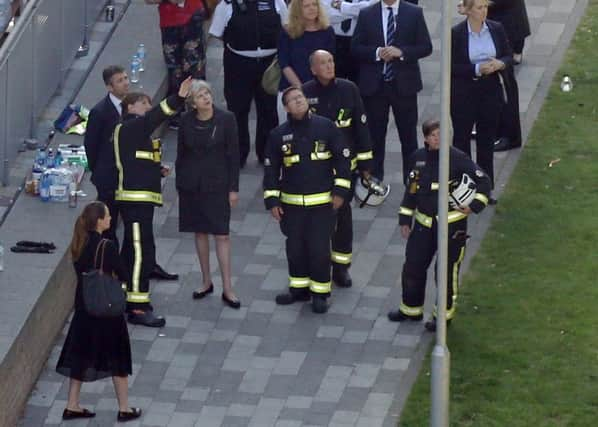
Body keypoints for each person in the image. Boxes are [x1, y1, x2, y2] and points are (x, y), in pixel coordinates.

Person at [388, 119, 491, 332]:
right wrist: (405, 220)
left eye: (442, 134)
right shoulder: (417, 159)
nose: (438, 138)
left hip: (452, 227)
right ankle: (410, 309)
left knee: (445, 271)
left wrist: (474, 206)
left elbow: (484, 182)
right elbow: (412, 191)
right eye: (434, 135)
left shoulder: (459, 159)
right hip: (423, 225)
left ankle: (443, 316)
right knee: (413, 266)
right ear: (426, 138)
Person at [263, 86, 351, 313]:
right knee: (295, 248)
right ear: (286, 108)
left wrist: (340, 193)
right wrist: (273, 201)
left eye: (300, 97)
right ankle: (299, 288)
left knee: (319, 249)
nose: (298, 101)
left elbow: (343, 161)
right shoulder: (278, 135)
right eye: (292, 99)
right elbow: (271, 171)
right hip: (292, 206)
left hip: (322, 204)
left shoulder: (326, 127)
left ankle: (320, 293)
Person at [113, 77, 193, 327]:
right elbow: (156, 117)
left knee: (132, 247)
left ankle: (127, 291)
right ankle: (137, 306)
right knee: (139, 249)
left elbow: (137, 160)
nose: (148, 107)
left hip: (141, 199)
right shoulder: (131, 126)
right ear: (130, 108)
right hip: (135, 200)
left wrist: (156, 170)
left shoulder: (134, 132)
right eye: (144, 103)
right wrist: (178, 98)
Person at [56, 202, 141, 423]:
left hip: (84, 308)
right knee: (118, 358)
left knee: (80, 356)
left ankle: (72, 404)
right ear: (100, 221)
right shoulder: (107, 246)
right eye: (108, 216)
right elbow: (122, 273)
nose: (111, 219)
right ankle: (124, 407)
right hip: (107, 310)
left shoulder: (79, 243)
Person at [302, 50, 372, 288]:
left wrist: (365, 165)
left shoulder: (348, 89)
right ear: (313, 69)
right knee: (318, 222)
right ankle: (317, 266)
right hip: (316, 172)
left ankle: (341, 268)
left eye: (331, 61)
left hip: (344, 169)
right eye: (323, 63)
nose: (329, 66)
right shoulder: (305, 93)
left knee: (343, 220)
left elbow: (361, 126)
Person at [176, 80, 241, 309]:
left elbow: (234, 155)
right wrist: (180, 183)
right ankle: (206, 281)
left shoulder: (226, 119)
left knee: (222, 235)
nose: (206, 97)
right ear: (192, 103)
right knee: (200, 232)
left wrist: (233, 188)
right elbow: (181, 153)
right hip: (192, 186)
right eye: (200, 95)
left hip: (218, 184)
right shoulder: (186, 121)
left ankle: (228, 287)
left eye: (207, 93)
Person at [351, 0, 432, 182]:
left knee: (408, 136)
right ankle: (375, 178)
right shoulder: (366, 14)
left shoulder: (414, 13)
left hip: (404, 85)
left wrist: (401, 52)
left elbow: (426, 47)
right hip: (375, 86)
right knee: (375, 135)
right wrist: (378, 52)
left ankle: (411, 179)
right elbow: (355, 48)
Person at [209, 0, 288, 168]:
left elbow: (287, 27)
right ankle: (238, 155)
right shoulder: (227, 5)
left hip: (269, 65)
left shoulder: (277, 3)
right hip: (238, 64)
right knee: (237, 110)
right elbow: (217, 31)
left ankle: (266, 153)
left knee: (269, 110)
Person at [451, 0, 513, 195]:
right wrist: (477, 69)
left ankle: (485, 189)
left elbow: (508, 55)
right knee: (462, 142)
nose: (484, 11)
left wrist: (500, 64)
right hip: (464, 94)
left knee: (486, 142)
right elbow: (451, 67)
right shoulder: (457, 33)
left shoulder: (496, 28)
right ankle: (463, 189)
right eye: (479, 8)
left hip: (490, 91)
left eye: (485, 7)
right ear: (468, 11)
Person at [84, 66, 129, 248]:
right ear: (109, 87)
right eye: (120, 81)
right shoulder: (100, 112)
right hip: (108, 178)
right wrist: (100, 170)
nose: (126, 83)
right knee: (108, 226)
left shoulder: (130, 106)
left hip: (126, 176)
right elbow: (91, 145)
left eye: (126, 78)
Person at [144, 0, 208, 129]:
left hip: (192, 14)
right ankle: (177, 112)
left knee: (195, 66)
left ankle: (201, 110)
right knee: (175, 70)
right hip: (169, 20)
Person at [277, 0, 335, 120]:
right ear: (298, 10)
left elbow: (329, 62)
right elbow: (284, 64)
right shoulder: (287, 32)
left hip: (321, 90)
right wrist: (301, 90)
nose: (312, 8)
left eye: (314, 4)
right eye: (306, 6)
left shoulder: (327, 31)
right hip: (291, 89)